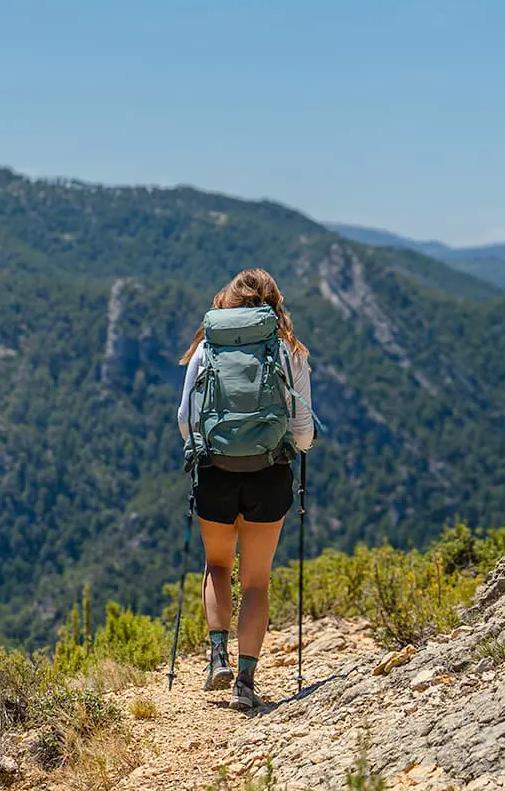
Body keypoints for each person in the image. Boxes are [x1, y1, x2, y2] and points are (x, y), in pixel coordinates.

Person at [175, 268, 314, 711]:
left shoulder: (206, 348)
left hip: (215, 471)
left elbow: (185, 419)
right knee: (255, 582)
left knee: (217, 565)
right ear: (275, 303)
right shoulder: (289, 350)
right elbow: (304, 432)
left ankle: (217, 657)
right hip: (269, 475)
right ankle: (246, 683)